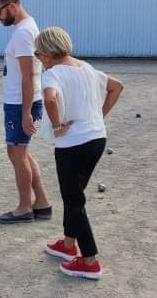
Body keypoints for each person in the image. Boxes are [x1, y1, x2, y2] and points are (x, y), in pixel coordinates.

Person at [35, 27, 123, 279]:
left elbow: (50, 100)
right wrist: (99, 115)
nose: (38, 59)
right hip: (97, 139)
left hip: (72, 145)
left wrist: (57, 125)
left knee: (74, 200)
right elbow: (117, 87)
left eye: (38, 53)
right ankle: (67, 244)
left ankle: (89, 260)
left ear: (48, 53)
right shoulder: (86, 67)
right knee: (74, 194)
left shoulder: (53, 74)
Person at [0, 0, 52, 224]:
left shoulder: (24, 33)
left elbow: (29, 75)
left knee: (17, 154)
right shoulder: (24, 29)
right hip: (18, 102)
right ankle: (42, 203)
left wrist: (25, 113)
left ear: (12, 6)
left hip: (20, 104)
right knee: (21, 153)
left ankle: (24, 208)